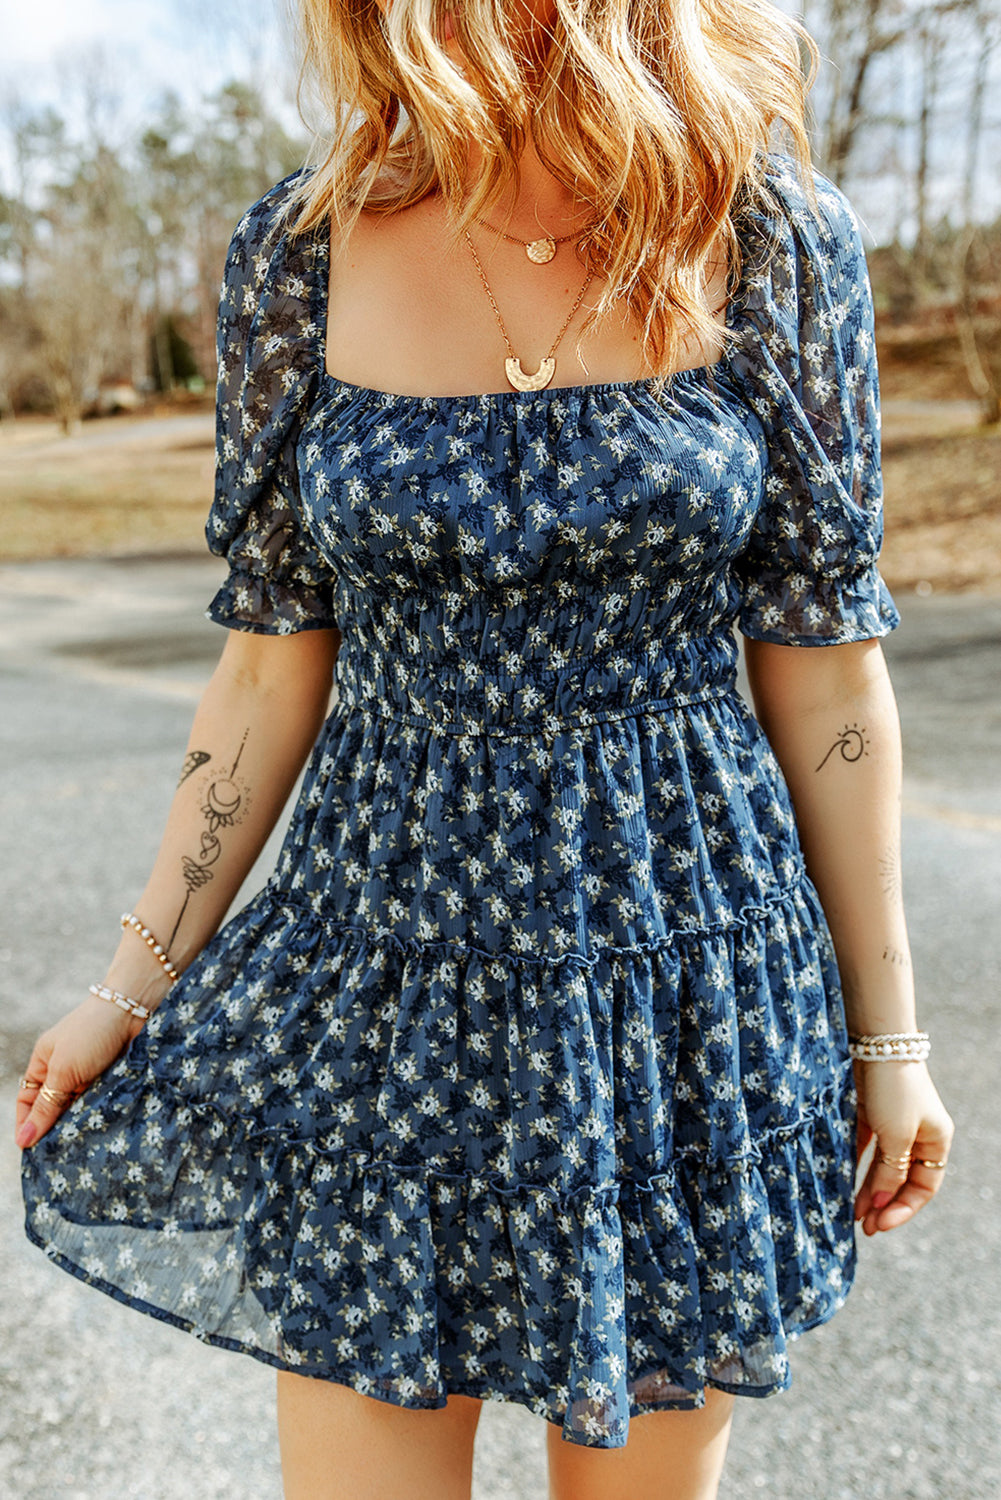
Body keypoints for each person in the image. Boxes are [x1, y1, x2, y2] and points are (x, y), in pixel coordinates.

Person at [17, 0, 955, 1496]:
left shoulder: (771, 237)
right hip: (384, 979)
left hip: (682, 997)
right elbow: (265, 673)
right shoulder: (300, 251)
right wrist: (127, 986)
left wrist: (887, 1042)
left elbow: (830, 684)